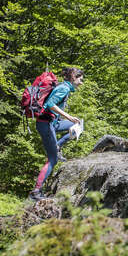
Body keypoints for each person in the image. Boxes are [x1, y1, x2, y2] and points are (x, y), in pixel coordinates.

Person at [29, 67, 84, 201]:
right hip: (46, 124)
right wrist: (69, 117)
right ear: (73, 78)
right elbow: (50, 104)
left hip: (51, 123)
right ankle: (36, 191)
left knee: (78, 125)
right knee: (52, 160)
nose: (82, 83)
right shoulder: (64, 88)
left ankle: (58, 146)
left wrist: (69, 120)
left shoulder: (64, 87)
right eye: (80, 80)